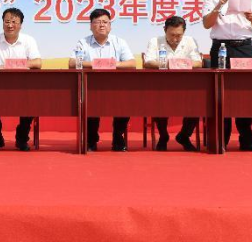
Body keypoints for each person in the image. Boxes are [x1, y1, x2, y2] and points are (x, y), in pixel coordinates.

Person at [202, 0, 252, 152]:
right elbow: (206, 24)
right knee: (220, 94)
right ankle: (221, 139)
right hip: (220, 48)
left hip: (243, 48)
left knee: (245, 93)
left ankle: (247, 139)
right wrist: (218, 6)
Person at [0, 7, 42, 151]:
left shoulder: (28, 40)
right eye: (7, 22)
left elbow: (37, 63)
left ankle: (22, 138)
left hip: (23, 86)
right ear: (2, 23)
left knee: (31, 104)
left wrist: (13, 64)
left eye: (14, 22)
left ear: (20, 25)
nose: (10, 25)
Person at [69, 8, 136, 152]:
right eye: (97, 22)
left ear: (110, 25)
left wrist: (112, 64)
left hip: (116, 87)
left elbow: (132, 63)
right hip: (91, 86)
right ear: (91, 26)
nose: (101, 25)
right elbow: (73, 63)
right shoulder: (83, 42)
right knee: (90, 103)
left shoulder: (119, 42)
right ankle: (91, 140)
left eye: (105, 22)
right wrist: (97, 64)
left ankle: (118, 138)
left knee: (125, 103)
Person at [143, 15, 202, 151]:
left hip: (186, 86)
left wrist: (177, 64)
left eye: (178, 35)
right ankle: (163, 136)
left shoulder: (190, 41)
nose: (175, 39)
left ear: (184, 32)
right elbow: (148, 62)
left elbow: (198, 62)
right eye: (172, 35)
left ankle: (184, 136)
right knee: (160, 103)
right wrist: (171, 64)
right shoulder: (155, 41)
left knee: (198, 104)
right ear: (165, 30)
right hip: (162, 85)